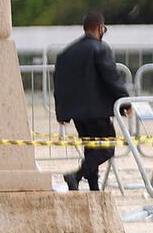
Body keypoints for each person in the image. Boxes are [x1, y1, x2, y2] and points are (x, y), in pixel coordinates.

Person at [52, 11, 127, 191]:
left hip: (77, 112)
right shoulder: (100, 49)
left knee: (91, 149)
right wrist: (125, 102)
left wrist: (61, 111)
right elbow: (111, 78)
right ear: (100, 28)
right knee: (107, 148)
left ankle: (93, 187)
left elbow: (59, 84)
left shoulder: (66, 53)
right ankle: (75, 176)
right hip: (97, 111)